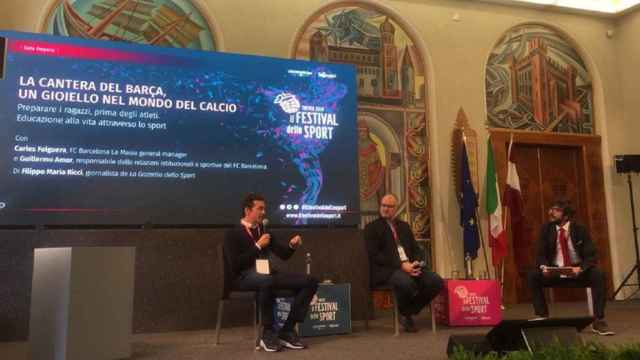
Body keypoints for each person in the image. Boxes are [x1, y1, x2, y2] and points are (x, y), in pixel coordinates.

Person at [224, 193, 319, 351]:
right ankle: (268, 333)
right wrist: (257, 247)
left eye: (264, 209)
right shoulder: (233, 233)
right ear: (248, 211)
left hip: (267, 275)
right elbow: (235, 265)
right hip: (242, 277)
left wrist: (292, 246)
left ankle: (287, 330)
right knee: (266, 280)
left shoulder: (264, 230)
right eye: (260, 209)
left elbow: (284, 255)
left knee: (311, 281)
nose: (264, 212)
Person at [527, 200, 614, 336]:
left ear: (566, 216)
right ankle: (542, 315)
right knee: (533, 276)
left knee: (598, 275)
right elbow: (540, 253)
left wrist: (581, 269)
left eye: (556, 210)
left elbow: (591, 256)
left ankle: (598, 320)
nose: (551, 212)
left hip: (577, 272)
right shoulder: (546, 229)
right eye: (551, 209)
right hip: (554, 271)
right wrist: (544, 267)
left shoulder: (580, 230)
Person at [364, 193, 444, 332]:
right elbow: (376, 255)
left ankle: (407, 311)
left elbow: (415, 248)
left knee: (436, 281)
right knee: (407, 283)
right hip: (387, 270)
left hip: (410, 266)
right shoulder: (372, 228)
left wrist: (417, 262)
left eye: (389, 206)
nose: (385, 209)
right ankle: (407, 314)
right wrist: (401, 265)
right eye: (383, 205)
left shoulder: (404, 226)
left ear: (395, 209)